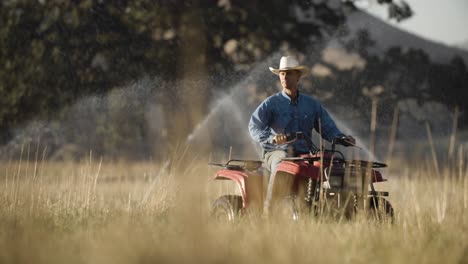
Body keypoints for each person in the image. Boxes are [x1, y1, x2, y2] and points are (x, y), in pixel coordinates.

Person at [248, 55, 355, 214]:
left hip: (306, 154)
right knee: (281, 163)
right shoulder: (271, 103)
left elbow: (327, 127)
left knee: (333, 164)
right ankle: (268, 213)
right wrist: (273, 138)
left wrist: (341, 138)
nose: (284, 77)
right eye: (282, 73)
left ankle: (334, 209)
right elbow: (253, 127)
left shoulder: (312, 105)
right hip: (276, 152)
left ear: (298, 76)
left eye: (289, 73)